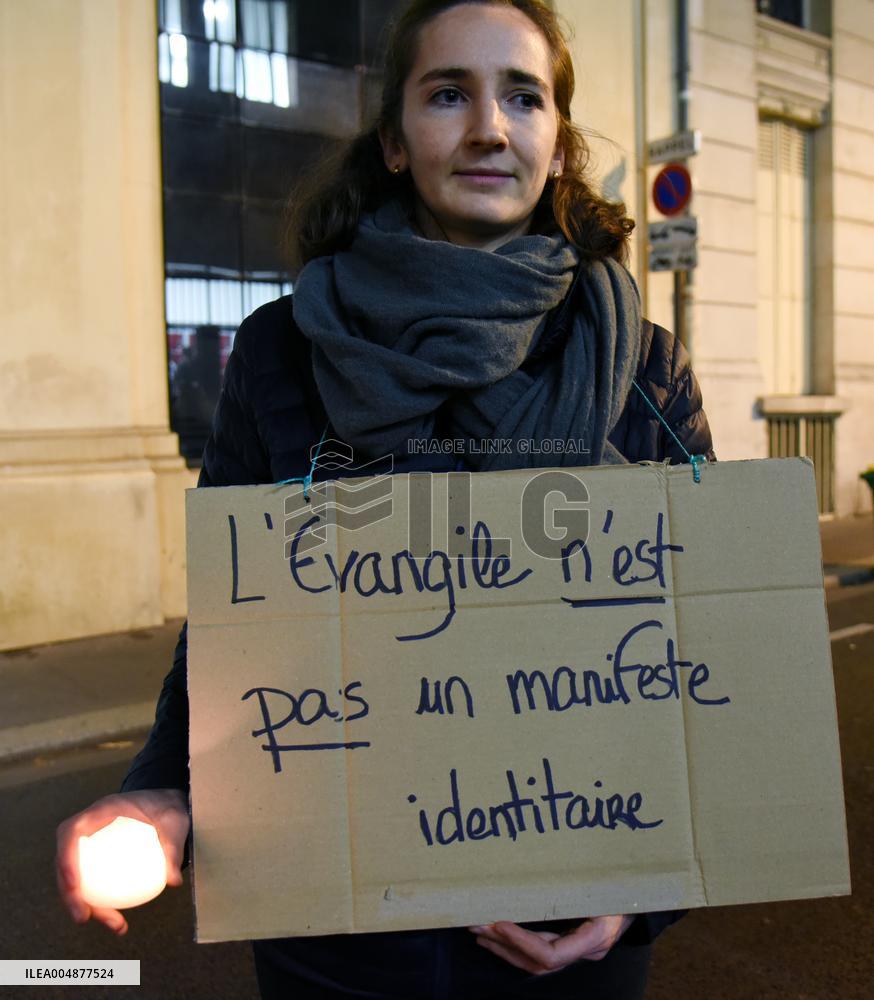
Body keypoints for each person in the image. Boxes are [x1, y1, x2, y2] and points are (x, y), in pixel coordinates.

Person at [55, 1, 715, 997]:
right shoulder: (282, 351)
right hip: (341, 940)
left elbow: (707, 656)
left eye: (522, 97)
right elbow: (237, 620)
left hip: (565, 932)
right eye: (448, 93)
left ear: (555, 144)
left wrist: (644, 896)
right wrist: (159, 792)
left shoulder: (642, 369)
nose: (489, 126)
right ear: (396, 144)